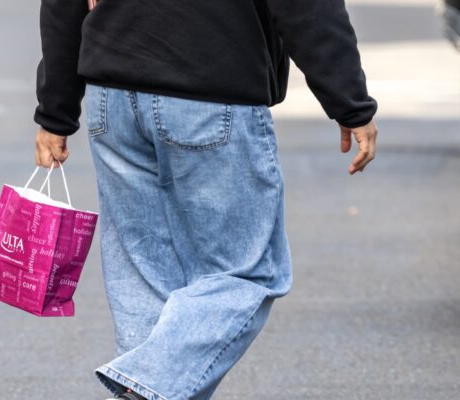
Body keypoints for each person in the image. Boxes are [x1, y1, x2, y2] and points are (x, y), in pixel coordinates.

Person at [33, 1, 378, 399]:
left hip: (113, 94)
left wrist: (55, 111)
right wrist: (349, 101)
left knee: (145, 275)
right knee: (245, 273)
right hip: (210, 88)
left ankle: (143, 388)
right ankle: (147, 388)